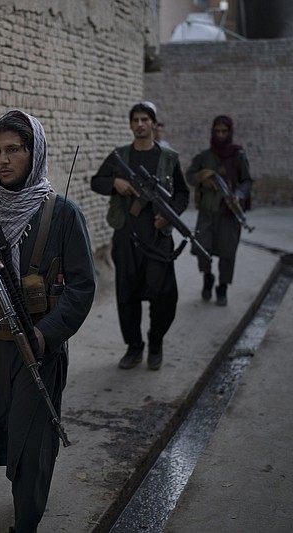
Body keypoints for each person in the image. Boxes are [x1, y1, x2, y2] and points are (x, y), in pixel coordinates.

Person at [0, 109, 96, 533]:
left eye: (14, 150)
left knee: (32, 442)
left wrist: (45, 337)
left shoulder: (63, 214)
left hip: (37, 348)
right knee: (2, 432)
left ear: (34, 152)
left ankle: (25, 522)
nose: (3, 160)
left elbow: (82, 288)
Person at [91, 101, 189, 371]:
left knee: (165, 295)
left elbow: (182, 193)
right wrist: (115, 182)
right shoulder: (120, 155)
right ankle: (134, 347)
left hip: (158, 239)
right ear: (131, 124)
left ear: (154, 124)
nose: (140, 124)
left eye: (145, 119)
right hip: (126, 237)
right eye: (135, 120)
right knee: (127, 296)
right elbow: (96, 181)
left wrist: (169, 215)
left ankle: (155, 342)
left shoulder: (168, 158)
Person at [185, 115, 252, 306]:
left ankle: (222, 288)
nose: (221, 135)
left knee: (227, 253)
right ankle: (207, 277)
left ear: (230, 132)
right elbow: (190, 175)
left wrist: (238, 194)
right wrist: (202, 180)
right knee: (201, 248)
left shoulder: (238, 155)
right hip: (207, 211)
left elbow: (247, 181)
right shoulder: (205, 157)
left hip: (229, 213)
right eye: (217, 131)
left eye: (224, 131)